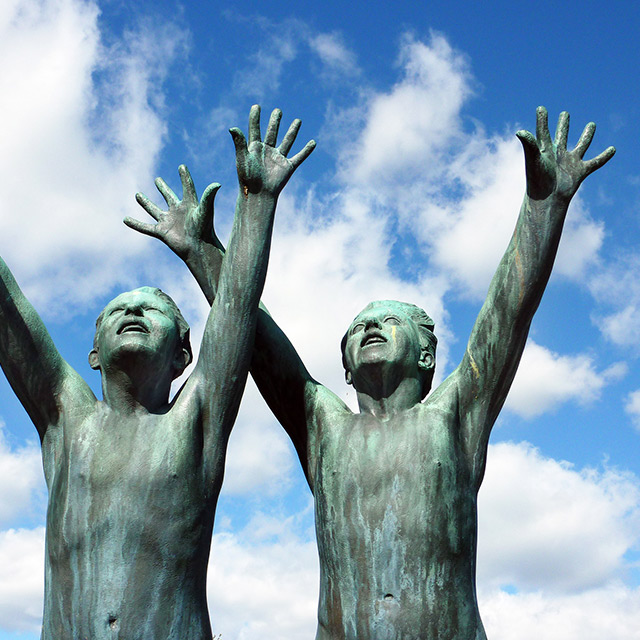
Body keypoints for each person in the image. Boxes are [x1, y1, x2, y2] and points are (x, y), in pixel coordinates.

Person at [129, 107, 614, 639]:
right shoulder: (325, 427)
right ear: (346, 369)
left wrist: (543, 206)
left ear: (427, 357)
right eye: (359, 327)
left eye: (388, 322)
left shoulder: (454, 415)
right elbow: (259, 340)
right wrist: (203, 252)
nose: (370, 329)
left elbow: (508, 312)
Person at [0, 105, 314, 640]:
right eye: (118, 310)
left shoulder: (194, 422)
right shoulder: (66, 416)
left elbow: (236, 309)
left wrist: (256, 204)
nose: (133, 313)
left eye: (153, 310)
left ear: (182, 356)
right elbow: (8, 311)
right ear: (94, 353)